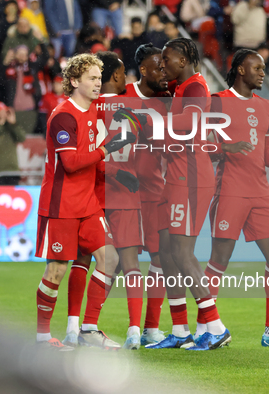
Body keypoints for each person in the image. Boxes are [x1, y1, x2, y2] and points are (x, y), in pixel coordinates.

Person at [205, 49, 269, 347]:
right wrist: (225, 150)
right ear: (240, 70)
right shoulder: (217, 102)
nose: (263, 73)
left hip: (261, 191)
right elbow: (201, 148)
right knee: (219, 259)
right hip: (230, 190)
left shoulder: (266, 107)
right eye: (257, 68)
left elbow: (266, 152)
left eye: (263, 68)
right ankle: (206, 327)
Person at [34, 53, 134, 350]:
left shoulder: (92, 112)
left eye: (98, 78)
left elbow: (92, 161)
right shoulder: (64, 115)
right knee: (56, 271)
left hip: (87, 204)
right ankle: (42, 337)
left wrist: (119, 173)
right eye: (91, 78)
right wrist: (109, 148)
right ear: (74, 81)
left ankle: (89, 329)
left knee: (110, 258)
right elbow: (72, 163)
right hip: (60, 205)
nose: (97, 83)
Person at [142, 38, 236, 351]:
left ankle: (216, 326)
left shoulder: (196, 87)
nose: (162, 65)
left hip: (192, 177)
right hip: (177, 176)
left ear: (182, 62)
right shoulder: (180, 88)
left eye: (166, 60)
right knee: (167, 251)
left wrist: (152, 121)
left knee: (182, 252)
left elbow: (192, 121)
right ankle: (181, 330)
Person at [62, 51, 143, 349]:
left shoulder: (88, 108)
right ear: (115, 76)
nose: (126, 78)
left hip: (92, 192)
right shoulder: (132, 107)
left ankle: (74, 327)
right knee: (128, 262)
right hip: (122, 195)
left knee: (82, 261)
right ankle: (133, 330)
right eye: (122, 73)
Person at [124, 44, 172, 346]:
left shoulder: (167, 100)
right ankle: (89, 325)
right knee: (114, 262)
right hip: (122, 193)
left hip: (155, 191)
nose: (164, 73)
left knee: (160, 258)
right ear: (143, 69)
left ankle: (151, 328)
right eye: (158, 67)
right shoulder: (119, 97)